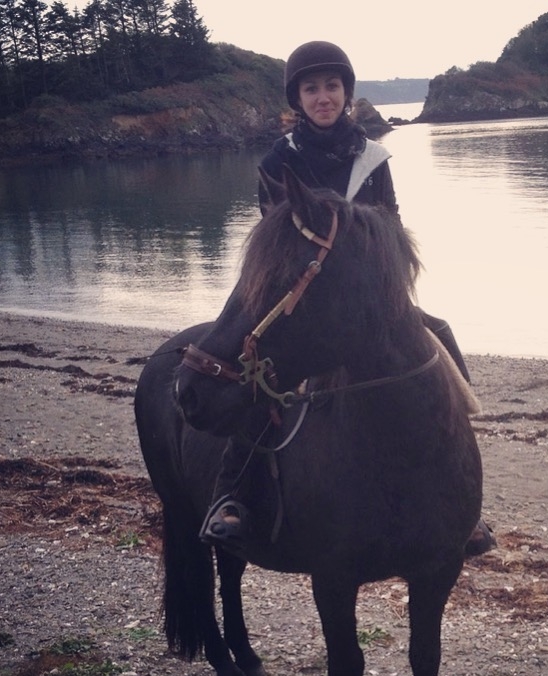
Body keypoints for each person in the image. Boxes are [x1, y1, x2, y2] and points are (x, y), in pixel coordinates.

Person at [199, 40, 495, 557]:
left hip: (366, 297)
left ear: (346, 93)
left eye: (332, 86)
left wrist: (377, 276)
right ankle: (234, 493)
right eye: (312, 89)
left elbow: (393, 230)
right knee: (259, 374)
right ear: (297, 99)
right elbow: (274, 240)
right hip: (300, 293)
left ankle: (460, 495)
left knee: (439, 334)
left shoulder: (372, 157)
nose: (323, 97)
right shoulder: (278, 161)